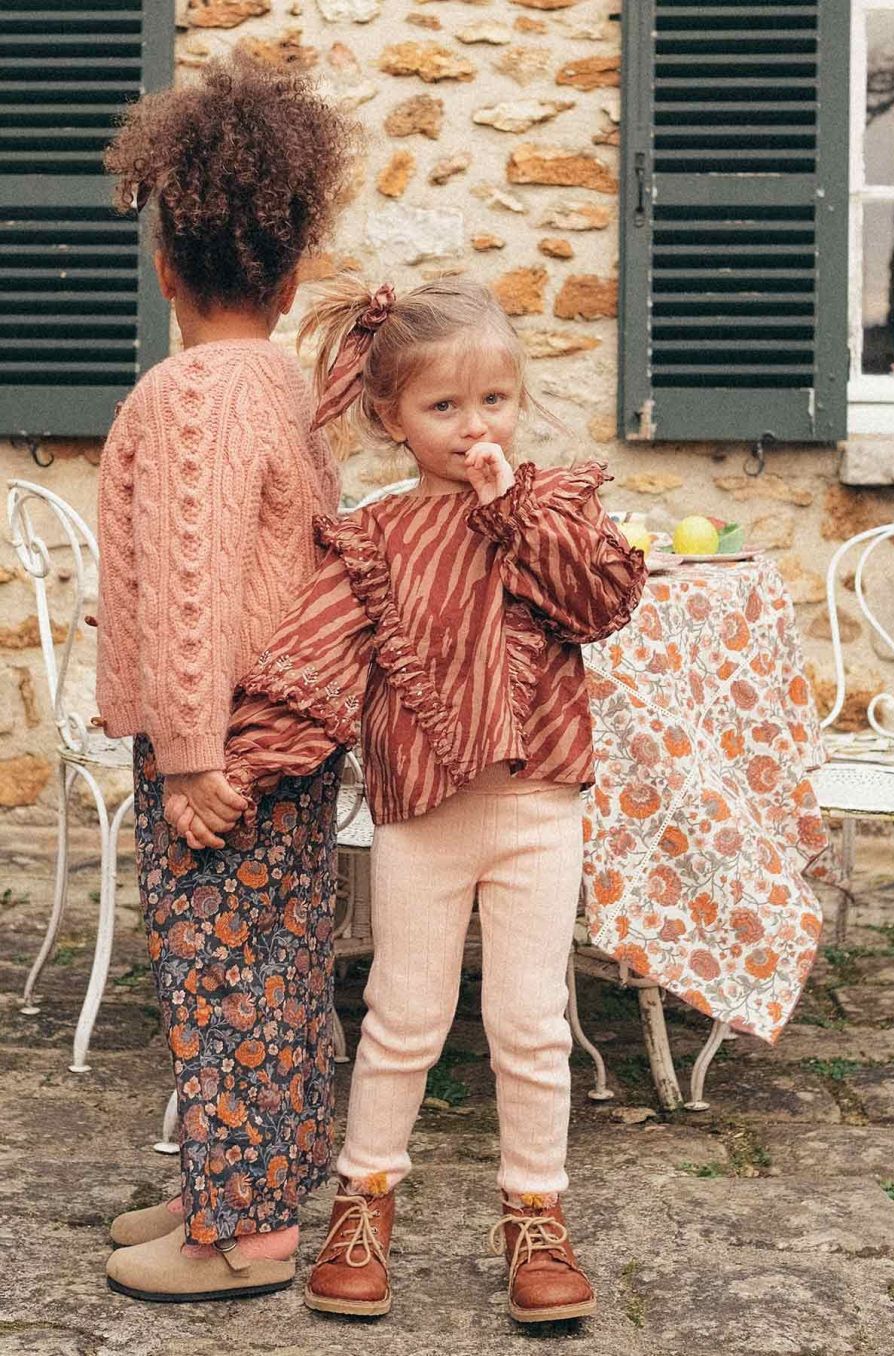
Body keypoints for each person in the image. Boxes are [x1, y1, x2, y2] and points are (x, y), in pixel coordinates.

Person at [185, 275, 647, 1323]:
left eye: (494, 401)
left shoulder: (554, 509)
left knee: (530, 1022)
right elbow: (314, 659)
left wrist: (509, 508)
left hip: (537, 810)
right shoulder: (378, 536)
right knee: (402, 1017)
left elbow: (598, 600)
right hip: (421, 816)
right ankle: (365, 1202)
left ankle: (536, 1215)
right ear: (392, 418)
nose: (474, 426)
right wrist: (240, 762)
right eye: (444, 406)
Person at [95, 57, 355, 1303]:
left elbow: (193, 584)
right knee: (282, 969)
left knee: (217, 980)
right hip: (290, 732)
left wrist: (192, 754)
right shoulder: (282, 384)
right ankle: (250, 1179)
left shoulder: (186, 393)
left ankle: (238, 1235)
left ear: (164, 269)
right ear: (289, 278)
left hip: (222, 743)